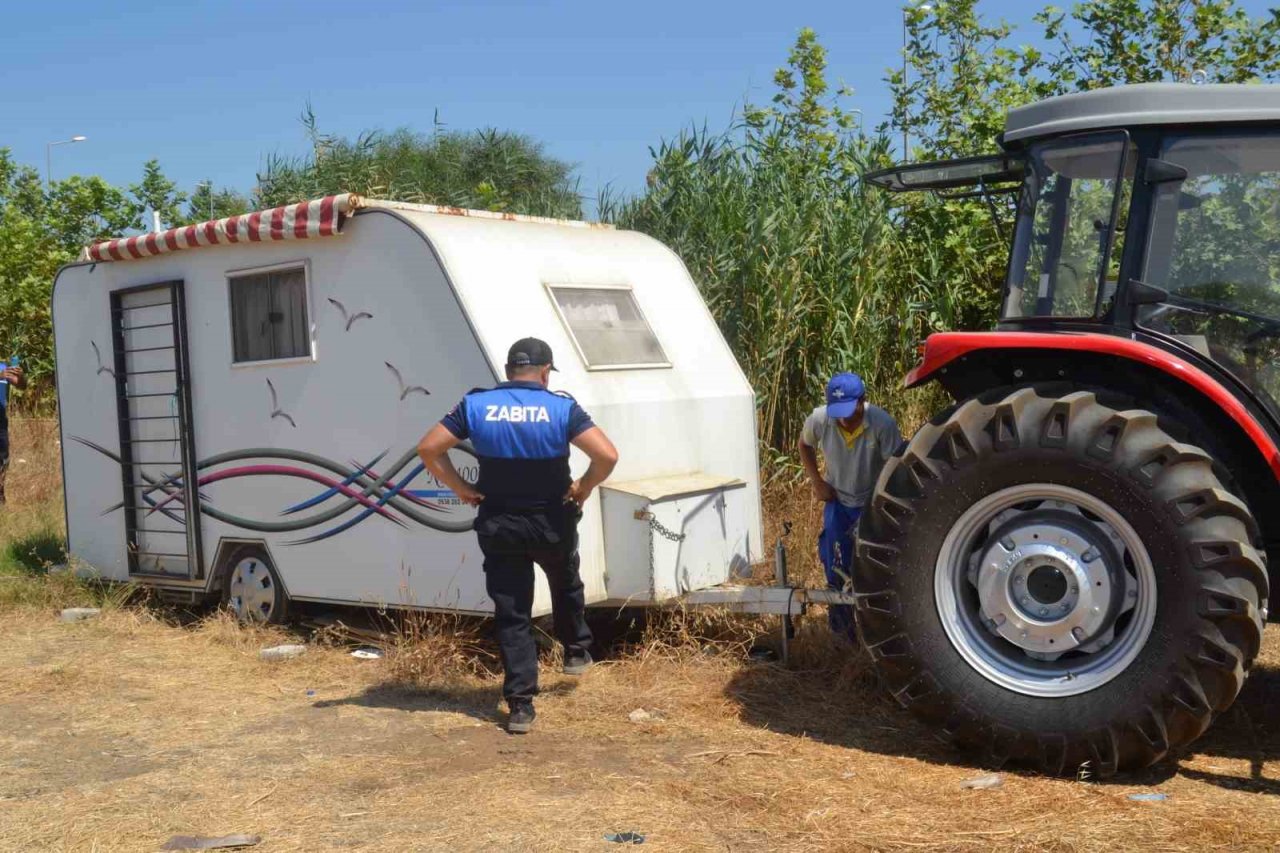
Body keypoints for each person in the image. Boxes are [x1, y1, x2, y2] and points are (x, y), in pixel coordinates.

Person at [417, 337, 619, 734]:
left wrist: (459, 486)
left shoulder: (475, 405)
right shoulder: (561, 407)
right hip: (551, 522)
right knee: (565, 582)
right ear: (545, 372)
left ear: (509, 370)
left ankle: (521, 706)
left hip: (500, 523)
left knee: (513, 613)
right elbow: (607, 456)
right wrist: (583, 486)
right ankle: (576, 651)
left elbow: (429, 448)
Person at [798, 371, 901, 642]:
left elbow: (895, 468)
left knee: (873, 568)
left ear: (862, 401)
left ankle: (877, 632)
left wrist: (882, 502)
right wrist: (817, 482)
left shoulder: (882, 423)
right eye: (838, 411)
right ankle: (843, 634)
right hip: (838, 502)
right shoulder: (820, 419)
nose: (843, 418)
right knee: (836, 565)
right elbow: (804, 445)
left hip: (871, 503)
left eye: (849, 410)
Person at [0, 358, 26, 505]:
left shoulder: (3, 366)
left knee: (3, 459)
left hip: (0, 420)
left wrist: (20, 377)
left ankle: (0, 496)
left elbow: (22, 386)